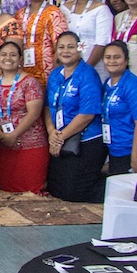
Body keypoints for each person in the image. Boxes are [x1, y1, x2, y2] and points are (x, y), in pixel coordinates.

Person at [45, 32, 106, 203]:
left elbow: (87, 114)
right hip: (60, 138)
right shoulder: (55, 75)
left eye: (71, 47)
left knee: (74, 193)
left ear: (79, 49)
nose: (66, 51)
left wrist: (60, 138)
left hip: (86, 139)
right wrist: (51, 132)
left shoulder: (88, 75)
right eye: (62, 47)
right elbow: (48, 107)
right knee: (56, 188)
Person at [0, 41, 48, 194]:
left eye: (13, 55)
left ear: (20, 59)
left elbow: (34, 113)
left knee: (31, 189)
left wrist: (14, 134)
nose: (8, 58)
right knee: (6, 187)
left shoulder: (30, 82)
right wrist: (2, 136)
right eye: (4, 55)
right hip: (5, 144)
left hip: (30, 144)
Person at [99, 41, 137, 176]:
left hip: (136, 150)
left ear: (126, 60)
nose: (112, 61)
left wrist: (135, 158)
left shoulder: (134, 86)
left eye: (117, 57)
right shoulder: (108, 84)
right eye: (108, 57)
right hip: (117, 149)